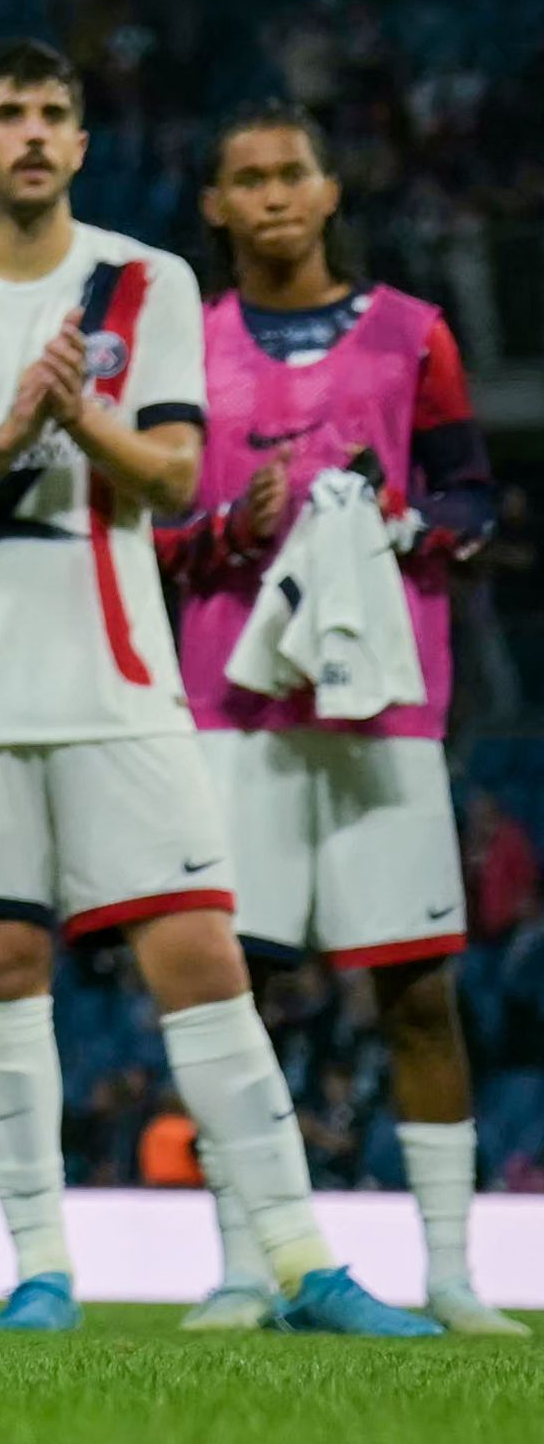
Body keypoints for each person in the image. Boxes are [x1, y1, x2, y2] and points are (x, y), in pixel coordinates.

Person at [0, 42, 431, 1338]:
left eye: (55, 113)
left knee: (200, 953)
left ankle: (302, 1262)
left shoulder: (142, 279)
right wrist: (2, 438)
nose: (34, 133)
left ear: (81, 142)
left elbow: (172, 474)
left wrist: (70, 417)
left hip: (115, 674)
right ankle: (41, 1269)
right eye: (7, 113)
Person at [160, 106, 510, 1336]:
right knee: (226, 992)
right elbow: (148, 530)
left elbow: (472, 491)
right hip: (229, 703)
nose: (267, 195)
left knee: (415, 989)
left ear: (327, 189)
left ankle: (453, 1270)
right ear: (211, 204)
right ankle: (244, 1263)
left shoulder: (413, 335)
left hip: (383, 705)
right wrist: (225, 533)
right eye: (243, 177)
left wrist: (416, 526)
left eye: (288, 173)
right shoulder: (180, 345)